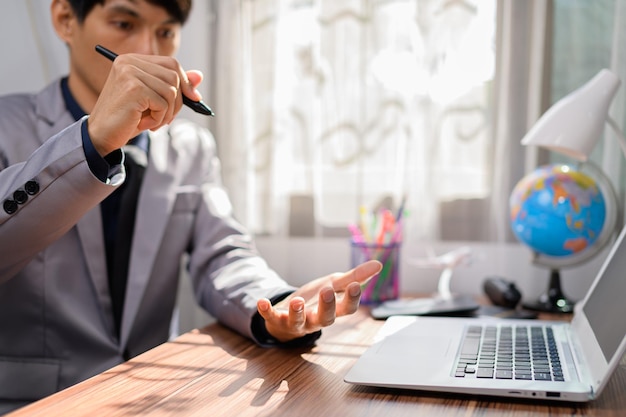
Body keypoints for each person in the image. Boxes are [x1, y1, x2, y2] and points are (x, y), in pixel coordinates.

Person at [0, 0, 382, 412]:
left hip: (152, 398)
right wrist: (93, 141)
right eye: (124, 23)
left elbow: (224, 255)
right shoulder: (7, 126)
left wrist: (275, 304)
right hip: (34, 402)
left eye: (166, 32)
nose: (148, 49)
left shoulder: (190, 148)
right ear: (65, 19)